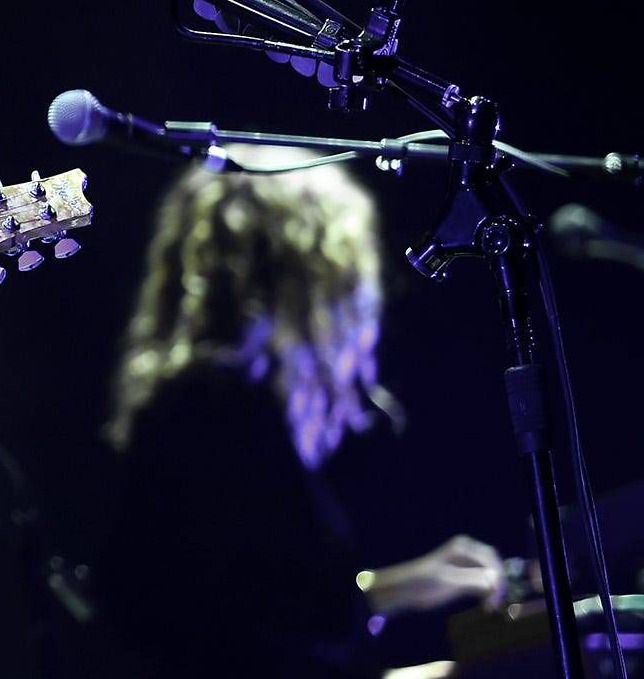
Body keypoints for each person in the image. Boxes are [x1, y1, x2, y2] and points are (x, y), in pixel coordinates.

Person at [92, 155, 503, 679]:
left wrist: (396, 588)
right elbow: (243, 642)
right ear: (304, 270)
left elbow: (271, 607)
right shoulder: (215, 411)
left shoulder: (208, 402)